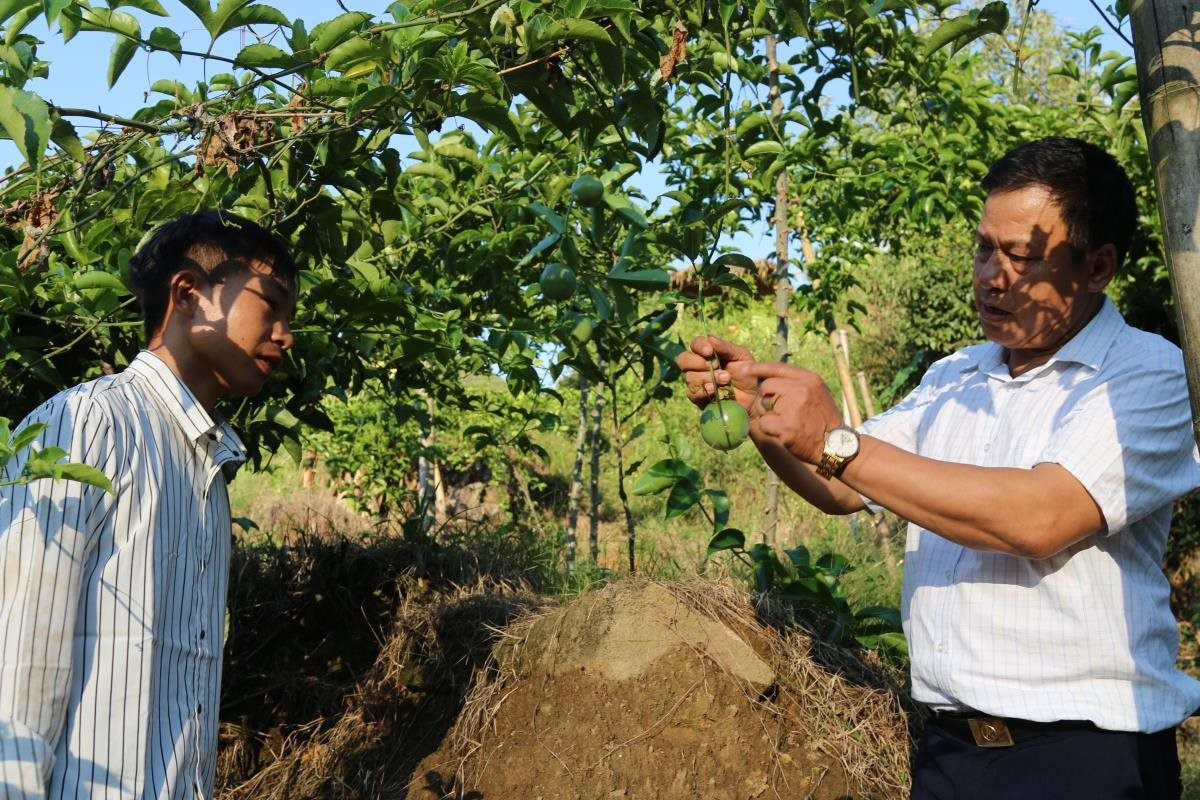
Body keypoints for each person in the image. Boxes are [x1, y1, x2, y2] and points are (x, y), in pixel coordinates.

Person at [678, 136, 1200, 799]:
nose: (991, 276)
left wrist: (836, 443)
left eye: (1023, 257)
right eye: (985, 248)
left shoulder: (1147, 374)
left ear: (1097, 266)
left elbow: (1038, 517)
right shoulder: (956, 375)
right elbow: (841, 488)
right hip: (952, 754)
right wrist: (767, 416)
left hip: (1084, 758)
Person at [0, 211, 297, 798]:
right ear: (188, 294)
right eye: (271, 306)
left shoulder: (209, 469)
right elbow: (17, 667)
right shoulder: (87, 424)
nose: (285, 336)